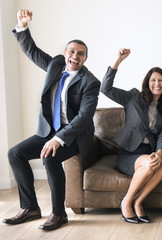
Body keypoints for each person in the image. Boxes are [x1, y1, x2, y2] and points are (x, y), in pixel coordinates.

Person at [3, 9, 100, 231]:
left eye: (81, 54)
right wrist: (22, 26)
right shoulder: (56, 65)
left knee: (51, 157)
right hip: (48, 129)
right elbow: (32, 51)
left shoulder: (90, 82)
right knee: (15, 153)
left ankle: (59, 214)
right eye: (72, 51)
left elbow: (84, 117)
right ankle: (30, 208)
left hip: (74, 135)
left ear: (86, 58)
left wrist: (59, 139)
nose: (75, 56)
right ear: (65, 53)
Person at [100, 48, 162, 224]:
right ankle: (126, 201)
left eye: (161, 81)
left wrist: (160, 152)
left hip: (149, 152)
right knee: (149, 163)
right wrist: (117, 61)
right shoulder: (133, 97)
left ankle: (138, 202)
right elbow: (105, 88)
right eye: (153, 80)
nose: (157, 83)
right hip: (130, 152)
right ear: (147, 83)